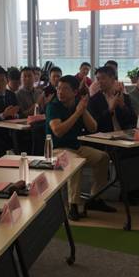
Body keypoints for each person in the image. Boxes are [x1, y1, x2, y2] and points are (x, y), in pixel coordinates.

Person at [46, 75, 114, 220]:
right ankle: (73, 205)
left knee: (103, 157)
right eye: (58, 88)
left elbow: (93, 128)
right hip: (56, 150)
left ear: (75, 92)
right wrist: (77, 113)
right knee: (75, 162)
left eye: (65, 89)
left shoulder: (78, 104)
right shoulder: (53, 106)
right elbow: (58, 131)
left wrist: (83, 110)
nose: (60, 92)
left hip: (76, 147)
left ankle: (95, 198)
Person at [88, 65, 137, 133]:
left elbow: (133, 120)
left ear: (113, 78)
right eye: (98, 79)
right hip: (104, 136)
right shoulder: (94, 100)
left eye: (103, 78)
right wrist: (109, 110)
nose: (100, 81)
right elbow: (96, 124)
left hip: (124, 134)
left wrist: (122, 106)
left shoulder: (124, 97)